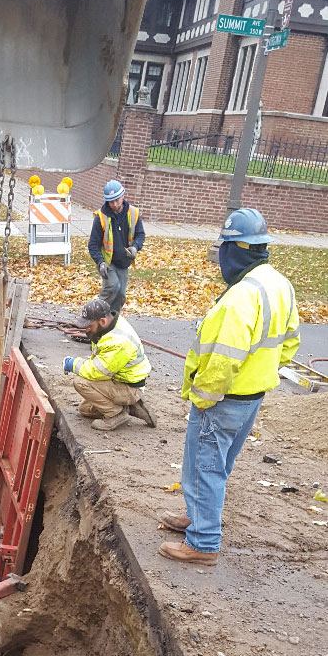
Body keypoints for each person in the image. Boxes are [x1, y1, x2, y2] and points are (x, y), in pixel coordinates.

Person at [159, 209, 300, 566]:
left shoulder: (240, 298)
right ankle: (195, 515)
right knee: (208, 464)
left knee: (207, 468)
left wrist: (204, 397)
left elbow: (222, 359)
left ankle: (203, 543)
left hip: (222, 399)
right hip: (251, 396)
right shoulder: (279, 284)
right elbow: (290, 341)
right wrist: (264, 370)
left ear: (234, 250)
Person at [63, 297, 156, 431]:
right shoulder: (108, 327)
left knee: (80, 382)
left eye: (89, 325)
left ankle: (117, 414)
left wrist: (72, 364)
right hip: (121, 380)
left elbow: (98, 372)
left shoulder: (118, 341)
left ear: (102, 321)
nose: (86, 329)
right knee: (85, 410)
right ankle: (132, 407)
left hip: (128, 386)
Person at [88, 179, 145, 313]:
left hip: (123, 261)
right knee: (112, 286)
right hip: (107, 263)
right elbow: (93, 244)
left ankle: (112, 320)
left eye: (117, 200)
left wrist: (135, 247)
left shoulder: (133, 213)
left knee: (120, 295)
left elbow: (140, 235)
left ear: (123, 196)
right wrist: (101, 262)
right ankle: (93, 315)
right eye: (111, 201)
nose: (114, 204)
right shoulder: (101, 217)